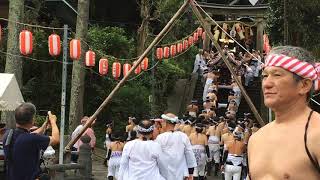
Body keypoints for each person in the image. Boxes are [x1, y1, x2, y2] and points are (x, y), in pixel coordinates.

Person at [248, 46, 320, 180]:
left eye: (277, 75)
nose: (266, 84)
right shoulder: (256, 140)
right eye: (265, 76)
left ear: (304, 85)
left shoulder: (316, 134)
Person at [3, 103, 60, 180]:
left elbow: (32, 134)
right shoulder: (31, 139)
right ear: (32, 120)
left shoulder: (8, 134)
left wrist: (45, 125)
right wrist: (53, 122)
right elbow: (56, 139)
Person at [155, 113, 197, 180]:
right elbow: (189, 155)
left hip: (164, 174)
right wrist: (191, 173)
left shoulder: (160, 138)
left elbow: (156, 156)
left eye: (162, 121)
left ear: (165, 122)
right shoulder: (183, 136)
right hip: (180, 174)